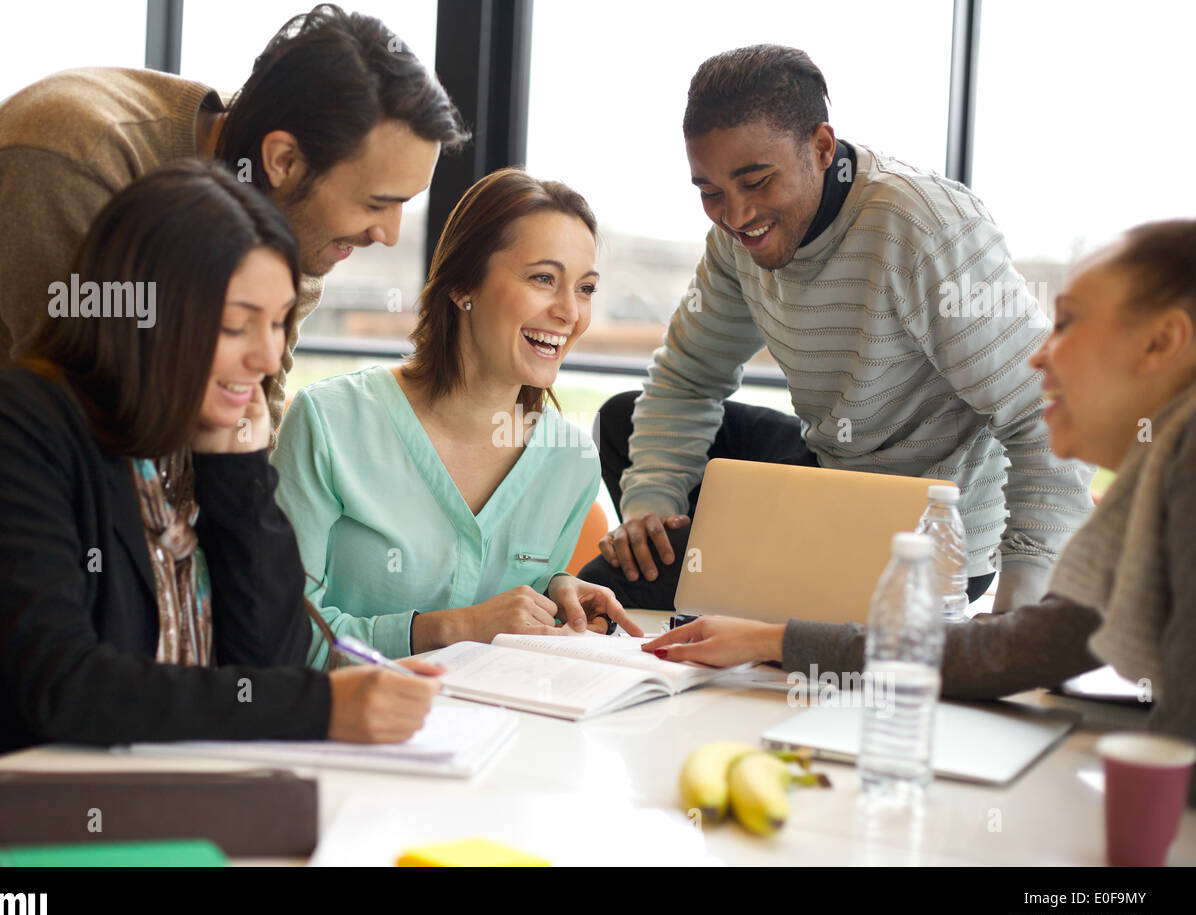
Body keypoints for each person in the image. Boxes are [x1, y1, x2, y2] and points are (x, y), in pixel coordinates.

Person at [0, 162, 442, 785]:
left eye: (278, 322)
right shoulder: (20, 421)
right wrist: (321, 705)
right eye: (238, 324)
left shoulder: (201, 438)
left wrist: (237, 478)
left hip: (134, 789)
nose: (267, 356)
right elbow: (64, 686)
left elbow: (266, 661)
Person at [642, 221, 1196, 804]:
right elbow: (1013, 651)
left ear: (1163, 342)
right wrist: (770, 639)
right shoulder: (1161, 480)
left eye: (1067, 324)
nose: (1039, 356)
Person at [0, 3, 468, 553]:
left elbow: (250, 425)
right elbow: (93, 416)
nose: (389, 234)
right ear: (284, 160)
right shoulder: (76, 154)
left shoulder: (291, 220)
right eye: (377, 203)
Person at [580, 44, 1092, 613]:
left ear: (821, 148)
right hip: (830, 475)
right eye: (710, 192)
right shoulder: (735, 238)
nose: (736, 215)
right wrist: (649, 505)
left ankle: (745, 586)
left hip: (923, 534)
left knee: (606, 588)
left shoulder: (921, 226)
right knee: (622, 420)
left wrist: (1016, 616)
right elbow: (686, 379)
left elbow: (1047, 415)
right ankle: (724, 573)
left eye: (757, 182)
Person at [272, 169, 640, 664]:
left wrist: (554, 598)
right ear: (463, 284)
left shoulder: (568, 463)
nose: (570, 312)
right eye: (543, 279)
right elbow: (279, 636)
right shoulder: (329, 424)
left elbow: (508, 634)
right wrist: (453, 628)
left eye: (586, 288)